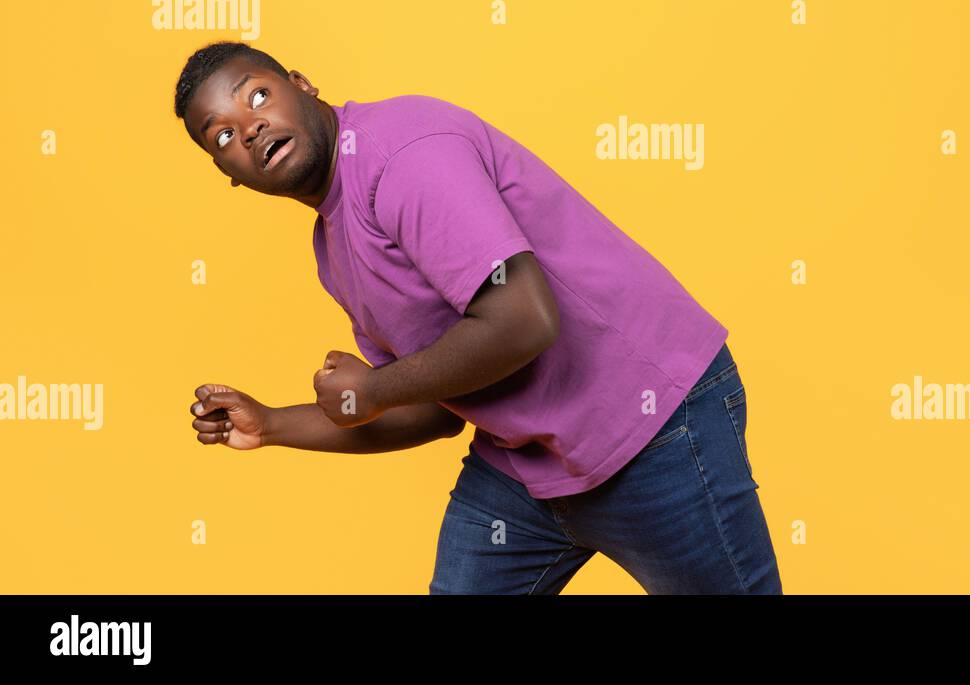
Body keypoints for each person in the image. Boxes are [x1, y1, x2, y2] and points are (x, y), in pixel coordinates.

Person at [174, 41, 782, 594]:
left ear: (302, 84)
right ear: (228, 176)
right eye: (222, 137)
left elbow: (522, 319)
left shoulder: (402, 155)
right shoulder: (333, 246)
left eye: (257, 95)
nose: (249, 129)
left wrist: (373, 387)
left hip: (651, 427)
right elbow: (433, 408)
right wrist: (272, 423)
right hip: (524, 467)